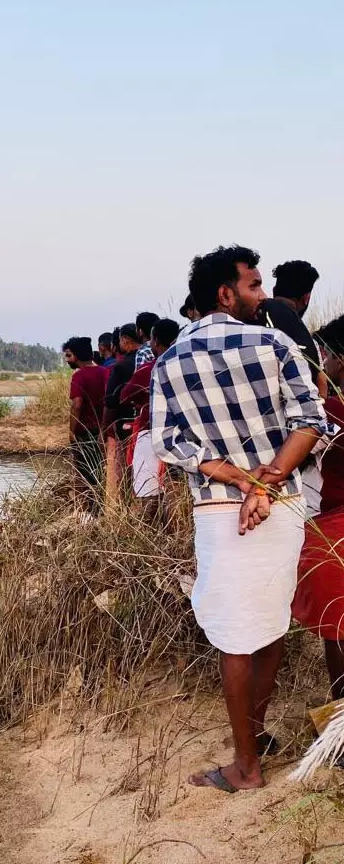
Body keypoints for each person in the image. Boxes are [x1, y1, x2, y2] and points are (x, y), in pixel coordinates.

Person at [151, 244, 325, 794]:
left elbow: (169, 442)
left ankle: (246, 767)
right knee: (269, 626)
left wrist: (239, 480)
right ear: (225, 293)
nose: (262, 294)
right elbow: (311, 420)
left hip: (221, 510)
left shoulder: (171, 359)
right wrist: (266, 479)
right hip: (283, 503)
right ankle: (254, 740)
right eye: (253, 285)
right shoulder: (275, 343)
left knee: (235, 639)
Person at [294, 313, 344, 703]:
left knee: (338, 627)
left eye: (325, 355)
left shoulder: (327, 414)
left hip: (334, 531)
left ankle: (340, 726)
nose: (323, 363)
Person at [120, 318, 180, 517]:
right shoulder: (185, 363)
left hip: (151, 430)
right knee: (175, 490)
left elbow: (125, 395)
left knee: (148, 490)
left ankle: (150, 532)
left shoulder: (150, 368)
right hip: (185, 434)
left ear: (154, 341)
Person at [262, 259, 325, 398]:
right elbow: (322, 390)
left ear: (274, 291)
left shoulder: (248, 320)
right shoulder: (308, 341)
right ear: (306, 298)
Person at [64, 337, 107, 510]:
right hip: (103, 431)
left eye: (69, 355)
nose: (67, 360)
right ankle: (100, 508)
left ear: (76, 356)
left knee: (82, 473)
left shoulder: (79, 376)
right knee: (100, 470)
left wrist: (71, 432)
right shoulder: (106, 372)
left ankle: (85, 511)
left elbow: (77, 404)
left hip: (84, 432)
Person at [101, 324, 142, 505]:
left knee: (125, 471)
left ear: (125, 340)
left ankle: (125, 508)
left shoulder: (121, 367)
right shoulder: (152, 360)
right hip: (146, 425)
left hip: (125, 426)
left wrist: (105, 427)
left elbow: (110, 401)